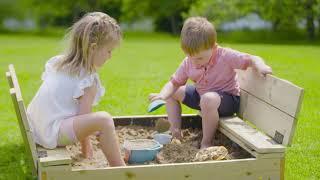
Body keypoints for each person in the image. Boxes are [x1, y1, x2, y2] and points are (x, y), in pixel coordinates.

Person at [149, 17, 272, 149]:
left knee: (208, 99)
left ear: (213, 47)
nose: (194, 62)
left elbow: (252, 59)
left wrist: (261, 66)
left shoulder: (225, 56)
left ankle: (206, 142)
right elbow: (173, 83)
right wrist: (162, 95)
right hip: (203, 97)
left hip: (227, 101)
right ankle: (175, 133)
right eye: (190, 56)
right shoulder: (189, 62)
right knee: (173, 93)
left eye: (199, 58)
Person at [27, 12, 125, 166]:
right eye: (109, 51)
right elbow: (83, 117)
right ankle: (120, 168)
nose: (110, 56)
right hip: (52, 133)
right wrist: (87, 149)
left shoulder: (60, 63)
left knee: (98, 122)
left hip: (36, 127)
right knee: (104, 120)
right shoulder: (88, 80)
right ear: (93, 48)